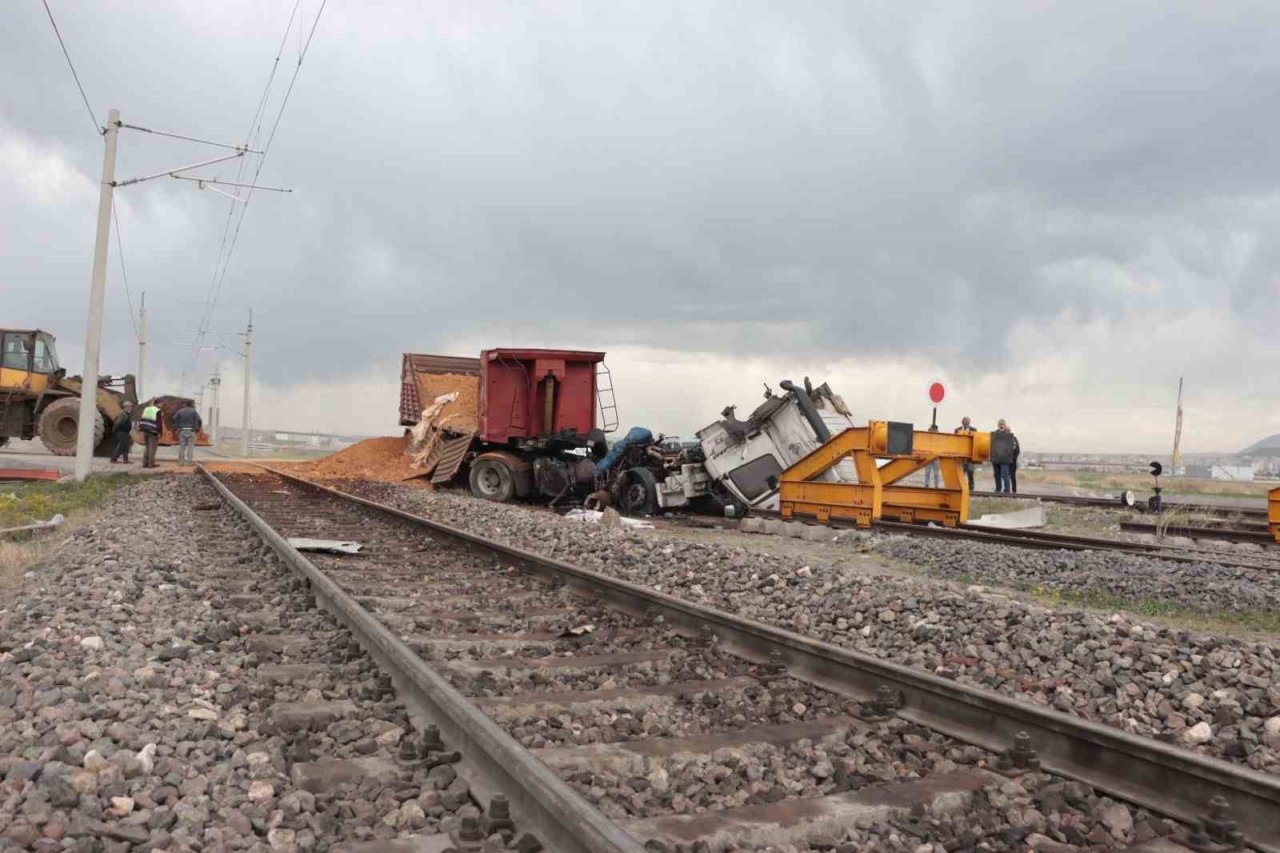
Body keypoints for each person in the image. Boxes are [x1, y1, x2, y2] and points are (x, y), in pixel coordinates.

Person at [991, 419, 1020, 493]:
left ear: (1005, 425)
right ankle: (998, 489)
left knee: (1005, 475)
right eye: (1000, 424)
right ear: (998, 425)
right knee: (996, 475)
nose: (1001, 425)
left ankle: (1007, 490)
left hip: (1005, 459)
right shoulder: (994, 434)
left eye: (1002, 424)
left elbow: (1014, 447)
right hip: (996, 458)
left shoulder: (1008, 434)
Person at [955, 416, 977, 491]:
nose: (966, 422)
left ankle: (971, 487)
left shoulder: (974, 430)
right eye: (965, 421)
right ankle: (960, 487)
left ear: (969, 422)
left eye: (967, 421)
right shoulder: (957, 430)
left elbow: (976, 441)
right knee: (961, 472)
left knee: (970, 471)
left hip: (970, 456)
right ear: (962, 422)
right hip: (960, 455)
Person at [139, 402, 163, 469]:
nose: (162, 406)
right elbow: (159, 423)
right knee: (152, 448)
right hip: (153, 431)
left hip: (145, 430)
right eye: (161, 404)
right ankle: (151, 464)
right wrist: (160, 433)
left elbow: (142, 419)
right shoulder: (157, 411)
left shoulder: (146, 409)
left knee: (147, 447)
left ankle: (145, 463)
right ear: (157, 403)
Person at [923, 423, 941, 488]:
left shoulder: (939, 437)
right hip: (928, 456)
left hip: (936, 457)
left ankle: (936, 485)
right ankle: (926, 484)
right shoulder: (927, 436)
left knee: (936, 473)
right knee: (927, 472)